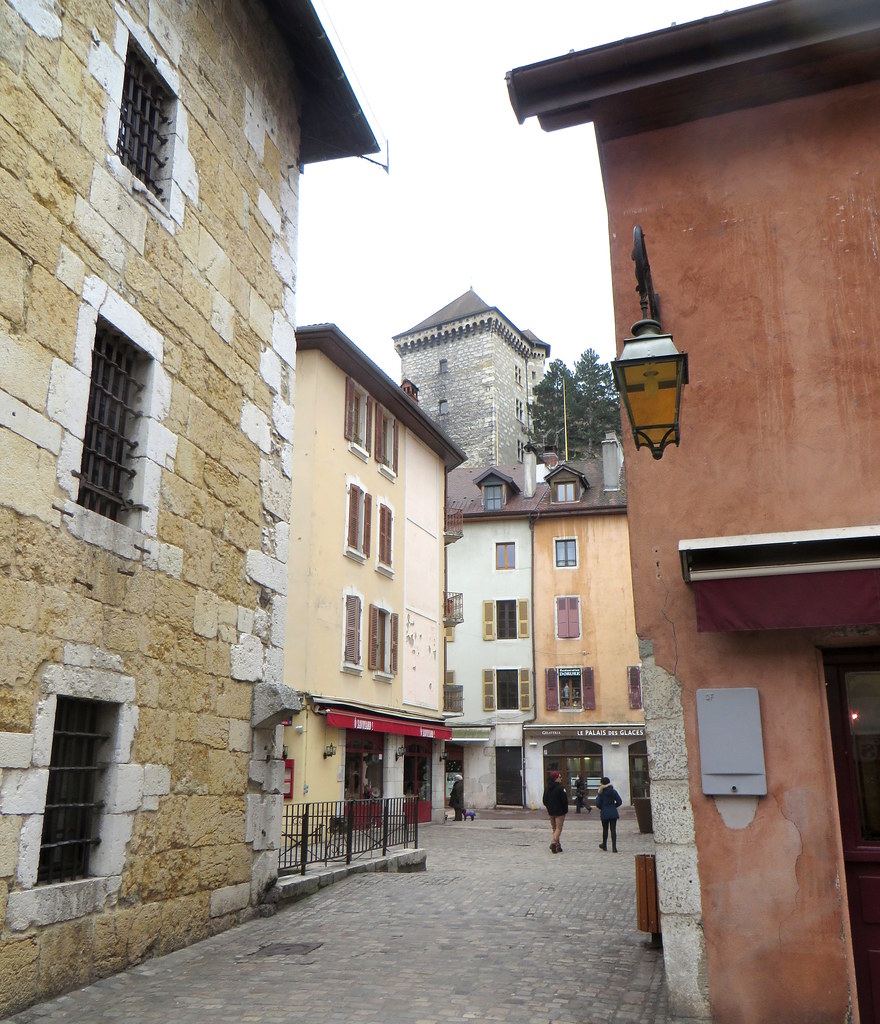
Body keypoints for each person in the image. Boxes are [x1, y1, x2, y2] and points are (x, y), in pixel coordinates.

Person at [542, 769, 568, 853]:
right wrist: (564, 809)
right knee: (558, 828)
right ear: (556, 778)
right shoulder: (560, 788)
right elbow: (564, 800)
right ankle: (553, 843)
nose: (561, 778)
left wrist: (549, 807)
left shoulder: (547, 788)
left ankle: (558, 846)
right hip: (559, 811)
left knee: (554, 828)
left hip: (551, 811)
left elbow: (544, 800)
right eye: (559, 777)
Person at [595, 776, 623, 852]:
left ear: (601, 783)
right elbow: (619, 801)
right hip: (613, 812)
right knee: (613, 829)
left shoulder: (601, 792)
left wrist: (602, 807)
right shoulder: (613, 791)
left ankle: (604, 845)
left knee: (605, 829)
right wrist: (614, 806)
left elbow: (597, 803)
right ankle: (614, 847)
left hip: (604, 813)